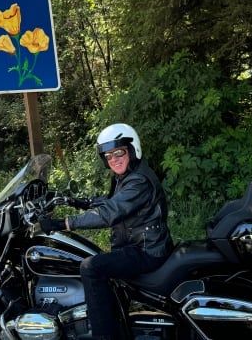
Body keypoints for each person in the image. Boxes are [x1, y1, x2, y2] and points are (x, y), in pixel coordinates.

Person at [39, 123, 174, 340]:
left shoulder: (139, 180)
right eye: (108, 155)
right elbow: (112, 201)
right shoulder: (128, 176)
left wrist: (62, 223)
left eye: (118, 152)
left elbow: (109, 213)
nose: (114, 159)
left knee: (90, 267)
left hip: (146, 251)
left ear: (131, 150)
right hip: (141, 245)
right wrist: (79, 202)